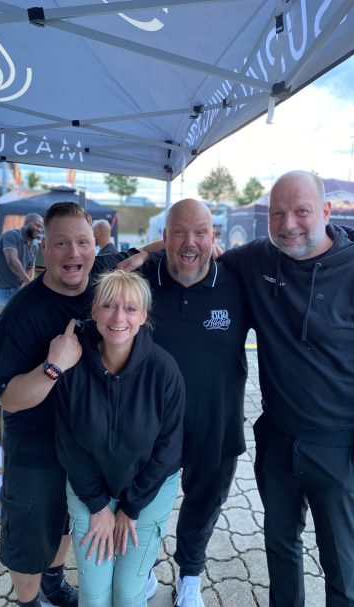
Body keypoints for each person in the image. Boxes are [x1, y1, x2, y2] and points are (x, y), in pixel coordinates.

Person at [220, 170, 354, 607]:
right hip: (277, 441)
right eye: (277, 213)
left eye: (301, 211)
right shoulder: (260, 258)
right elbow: (196, 251)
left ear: (325, 211)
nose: (288, 225)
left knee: (345, 576)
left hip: (342, 451)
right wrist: (139, 255)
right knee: (280, 552)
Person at [94, 198, 252, 606]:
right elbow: (91, 268)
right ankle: (143, 566)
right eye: (178, 233)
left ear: (213, 236)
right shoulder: (141, 277)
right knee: (143, 504)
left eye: (200, 233)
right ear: (164, 237)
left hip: (214, 424)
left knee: (203, 505)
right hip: (147, 428)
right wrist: (144, 253)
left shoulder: (237, 281)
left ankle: (190, 576)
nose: (189, 242)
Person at [54, 270, 185, 606]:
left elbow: (168, 449)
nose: (118, 318)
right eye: (109, 305)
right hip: (90, 489)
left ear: (143, 316)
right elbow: (69, 445)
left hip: (147, 490)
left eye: (130, 309)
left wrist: (132, 506)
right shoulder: (72, 367)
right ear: (94, 311)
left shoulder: (164, 370)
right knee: (95, 594)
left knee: (127, 594)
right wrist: (98, 506)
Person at [0, 202, 97, 607]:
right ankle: (29, 601)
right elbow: (10, 398)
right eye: (61, 243)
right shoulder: (21, 313)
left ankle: (53, 583)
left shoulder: (100, 292)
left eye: (83, 242)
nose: (74, 253)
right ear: (44, 249)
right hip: (35, 449)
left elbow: (137, 257)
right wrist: (53, 367)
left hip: (80, 445)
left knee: (64, 521)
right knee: (29, 534)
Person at [0, 213, 43, 333]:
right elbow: (12, 261)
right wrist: (29, 281)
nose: (39, 229)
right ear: (27, 222)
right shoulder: (11, 235)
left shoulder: (34, 245)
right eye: (37, 225)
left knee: (14, 324)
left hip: (16, 289)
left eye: (41, 227)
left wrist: (24, 283)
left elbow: (30, 267)